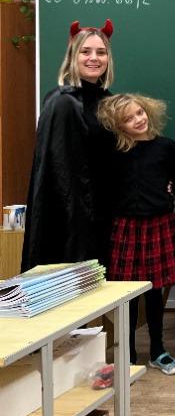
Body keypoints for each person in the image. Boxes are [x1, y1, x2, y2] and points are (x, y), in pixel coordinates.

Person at [97, 93, 175, 375]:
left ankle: (158, 351)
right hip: (126, 226)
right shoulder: (114, 151)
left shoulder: (165, 146)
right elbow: (106, 188)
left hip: (158, 223)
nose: (137, 120)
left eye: (139, 113)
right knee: (128, 294)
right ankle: (129, 354)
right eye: (128, 119)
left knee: (155, 291)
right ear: (118, 125)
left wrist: (172, 194)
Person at [22, 20, 117, 270]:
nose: (94, 58)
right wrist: (78, 221)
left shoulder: (109, 101)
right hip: (70, 222)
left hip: (103, 214)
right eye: (86, 51)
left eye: (101, 52)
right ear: (73, 56)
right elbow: (60, 172)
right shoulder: (62, 102)